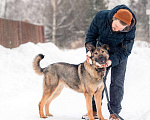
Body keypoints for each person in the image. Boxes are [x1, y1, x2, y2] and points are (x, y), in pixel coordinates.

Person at [82, 4, 136, 120]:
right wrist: (89, 53)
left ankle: (114, 113)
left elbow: (126, 50)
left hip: (119, 53)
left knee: (117, 82)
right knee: (95, 80)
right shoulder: (101, 17)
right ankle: (94, 110)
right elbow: (91, 36)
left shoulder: (130, 28)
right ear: (113, 18)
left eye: (120, 29)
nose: (115, 29)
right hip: (101, 51)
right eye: (115, 26)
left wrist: (112, 61)